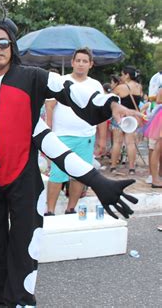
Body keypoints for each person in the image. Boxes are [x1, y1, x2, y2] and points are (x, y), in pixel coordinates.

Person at [0, 15, 139, 307]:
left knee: (26, 239)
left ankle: (22, 297)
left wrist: (112, 104)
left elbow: (73, 92)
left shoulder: (33, 77)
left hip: (23, 177)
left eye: (2, 42)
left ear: (11, 46)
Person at [45, 47, 104, 215]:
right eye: (78, 60)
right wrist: (48, 133)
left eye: (85, 61)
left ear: (91, 64)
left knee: (80, 175)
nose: (80, 64)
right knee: (57, 174)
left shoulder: (95, 85)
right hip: (61, 136)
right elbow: (49, 106)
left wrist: (101, 139)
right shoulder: (60, 81)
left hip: (86, 137)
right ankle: (49, 210)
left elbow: (101, 113)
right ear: (72, 62)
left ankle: (71, 208)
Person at [109, 66, 144, 175]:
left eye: (122, 74)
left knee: (117, 143)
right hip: (133, 118)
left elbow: (110, 99)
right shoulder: (139, 87)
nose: (121, 77)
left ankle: (113, 166)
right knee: (130, 143)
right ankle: (132, 168)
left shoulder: (121, 87)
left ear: (127, 75)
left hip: (120, 117)